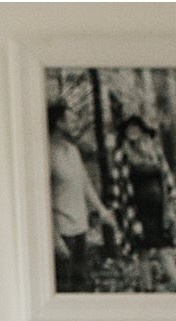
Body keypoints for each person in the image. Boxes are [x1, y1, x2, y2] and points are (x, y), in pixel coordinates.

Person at [108, 114, 176, 292]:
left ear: (143, 130)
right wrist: (116, 212)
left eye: (136, 127)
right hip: (136, 212)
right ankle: (148, 291)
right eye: (129, 129)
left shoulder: (154, 152)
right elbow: (117, 186)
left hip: (159, 211)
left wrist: (172, 206)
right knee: (142, 252)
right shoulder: (121, 155)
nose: (132, 131)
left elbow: (167, 178)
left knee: (164, 250)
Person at [48, 103, 115, 294]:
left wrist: (102, 211)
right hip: (62, 233)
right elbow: (43, 198)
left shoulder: (72, 149)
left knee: (81, 283)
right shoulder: (46, 153)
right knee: (63, 287)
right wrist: (54, 237)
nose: (77, 124)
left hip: (80, 228)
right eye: (72, 120)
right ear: (59, 123)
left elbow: (85, 184)